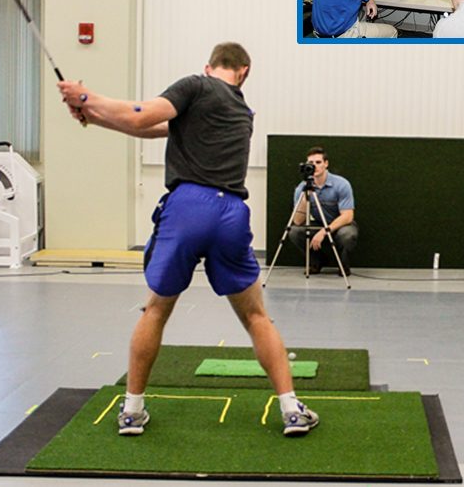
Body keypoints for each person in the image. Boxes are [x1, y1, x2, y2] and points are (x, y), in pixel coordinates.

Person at [57, 42, 318, 438]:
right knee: (255, 316)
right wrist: (94, 116)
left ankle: (132, 410)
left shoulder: (196, 86)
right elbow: (148, 126)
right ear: (244, 72)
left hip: (187, 207)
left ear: (208, 66)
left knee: (156, 310)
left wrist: (86, 97)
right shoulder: (242, 112)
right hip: (230, 211)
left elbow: (140, 114)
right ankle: (291, 409)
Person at [289, 147, 357, 276]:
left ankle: (343, 265)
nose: (314, 166)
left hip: (341, 224)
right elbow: (297, 221)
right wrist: (305, 198)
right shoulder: (301, 188)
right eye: (311, 163)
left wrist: (324, 231)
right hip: (319, 223)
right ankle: (317, 261)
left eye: (318, 162)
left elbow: (348, 216)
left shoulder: (341, 184)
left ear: (326, 164)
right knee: (294, 232)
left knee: (348, 234)